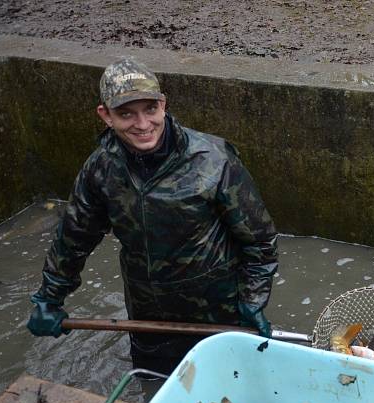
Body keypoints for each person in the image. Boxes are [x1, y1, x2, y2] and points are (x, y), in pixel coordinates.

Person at [26, 58, 279, 375]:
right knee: (155, 388)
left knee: (227, 391)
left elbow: (260, 241)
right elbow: (73, 239)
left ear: (163, 105)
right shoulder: (101, 169)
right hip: (147, 315)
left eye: (150, 110)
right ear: (105, 115)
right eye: (126, 113)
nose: (143, 124)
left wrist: (253, 301)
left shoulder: (213, 159)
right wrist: (50, 299)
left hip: (218, 311)